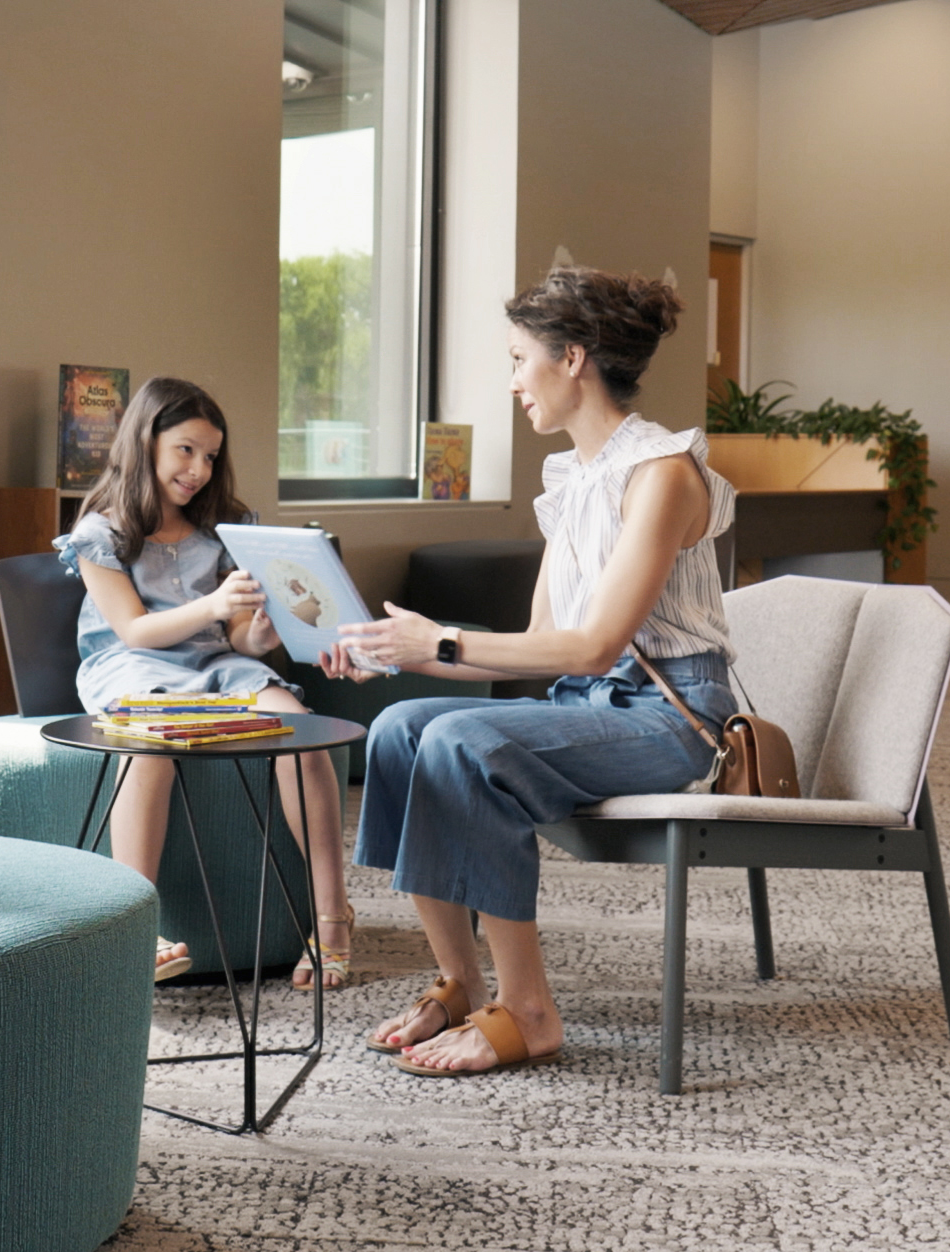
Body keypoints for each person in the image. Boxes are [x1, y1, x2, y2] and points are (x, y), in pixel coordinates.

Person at [321, 268, 736, 1076]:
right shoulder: (574, 479)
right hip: (591, 706)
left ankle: (529, 1009)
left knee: (465, 746)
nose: (512, 382)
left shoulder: (662, 474)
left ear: (573, 357)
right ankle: (460, 979)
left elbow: (593, 647)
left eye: (519, 360)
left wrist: (439, 643)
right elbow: (543, 639)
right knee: (403, 728)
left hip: (670, 717)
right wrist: (396, 650)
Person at [58, 377, 356, 989]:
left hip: (217, 663)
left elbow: (242, 638)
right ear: (147, 443)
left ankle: (332, 916)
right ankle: (135, 928)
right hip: (133, 663)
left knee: (300, 733)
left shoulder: (226, 528)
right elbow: (135, 630)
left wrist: (262, 632)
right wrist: (218, 606)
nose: (198, 469)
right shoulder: (102, 532)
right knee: (151, 744)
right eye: (185, 450)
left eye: (210, 455)